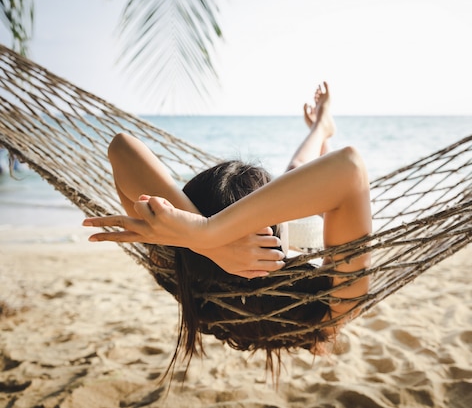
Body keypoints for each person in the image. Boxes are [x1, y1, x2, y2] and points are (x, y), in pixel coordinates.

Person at [83, 82, 371, 377]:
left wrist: (205, 240)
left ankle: (321, 128)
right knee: (296, 172)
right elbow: (350, 167)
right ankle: (322, 128)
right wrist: (208, 233)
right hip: (305, 245)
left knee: (296, 171)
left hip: (205, 266)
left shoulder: (175, 264)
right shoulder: (327, 309)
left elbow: (120, 147)